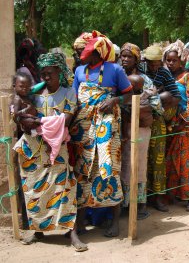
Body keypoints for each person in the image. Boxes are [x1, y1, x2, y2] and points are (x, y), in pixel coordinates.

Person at [13, 53, 87, 251]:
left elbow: (67, 121)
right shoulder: (34, 94)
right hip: (34, 150)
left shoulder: (69, 93)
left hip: (57, 147)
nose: (46, 77)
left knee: (65, 190)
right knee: (34, 190)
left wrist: (38, 122)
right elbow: (21, 119)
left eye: (50, 73)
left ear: (60, 72)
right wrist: (31, 120)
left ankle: (71, 232)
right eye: (43, 73)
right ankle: (37, 231)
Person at [70, 30, 133, 237]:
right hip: (84, 129)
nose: (82, 55)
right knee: (82, 171)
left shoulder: (115, 70)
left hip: (108, 127)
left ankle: (115, 223)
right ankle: (80, 222)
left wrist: (114, 100)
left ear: (98, 53)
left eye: (86, 52)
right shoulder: (80, 71)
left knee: (110, 170)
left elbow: (129, 94)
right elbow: (74, 99)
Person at [119, 42, 162, 219]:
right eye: (123, 55)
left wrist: (140, 108)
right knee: (122, 166)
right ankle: (123, 203)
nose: (125, 59)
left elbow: (157, 106)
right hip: (119, 129)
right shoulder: (116, 77)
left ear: (136, 60)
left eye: (129, 56)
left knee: (139, 165)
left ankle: (140, 203)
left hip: (140, 127)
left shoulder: (146, 80)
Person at [141, 44, 180, 212]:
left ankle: (158, 197)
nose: (154, 66)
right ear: (145, 60)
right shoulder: (140, 71)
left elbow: (176, 96)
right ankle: (142, 198)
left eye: (157, 63)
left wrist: (155, 97)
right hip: (140, 120)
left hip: (157, 119)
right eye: (151, 63)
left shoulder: (164, 72)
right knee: (142, 159)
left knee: (157, 159)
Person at [164, 40, 189, 211]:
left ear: (182, 60)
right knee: (169, 160)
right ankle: (171, 194)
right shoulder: (165, 76)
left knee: (186, 161)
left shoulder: (188, 77)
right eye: (168, 60)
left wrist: (182, 122)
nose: (171, 63)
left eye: (174, 60)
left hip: (185, 126)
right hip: (168, 124)